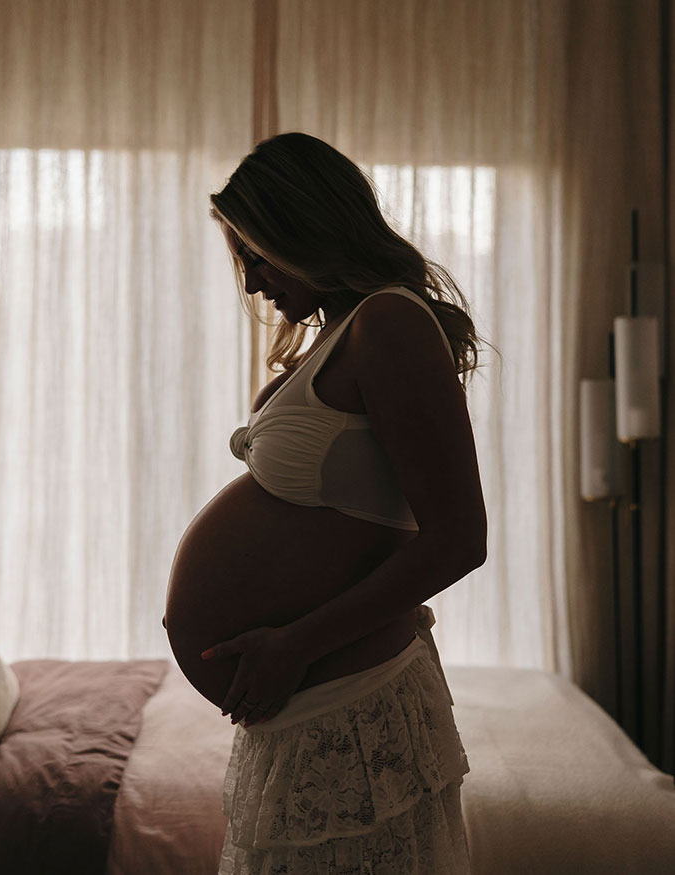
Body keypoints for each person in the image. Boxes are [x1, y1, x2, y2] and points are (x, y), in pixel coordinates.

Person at [164, 131, 490, 874]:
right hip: (305, 709)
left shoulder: (389, 321)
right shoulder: (343, 329)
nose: (251, 284)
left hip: (346, 696)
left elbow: (457, 538)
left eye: (258, 256)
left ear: (305, 227)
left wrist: (296, 643)